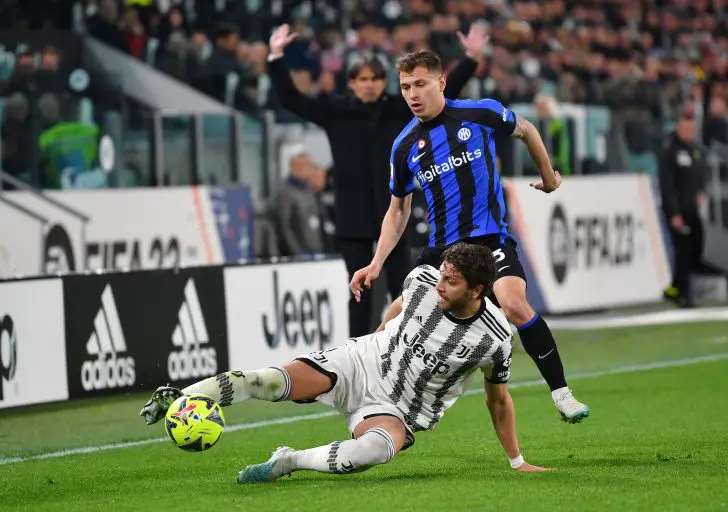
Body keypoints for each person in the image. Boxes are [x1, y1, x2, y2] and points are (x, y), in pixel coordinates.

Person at [139, 243, 548, 481]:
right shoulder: (423, 280)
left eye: (452, 282)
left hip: (398, 410)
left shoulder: (494, 338)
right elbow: (403, 303)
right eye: (442, 275)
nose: (441, 285)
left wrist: (517, 460)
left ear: (478, 290)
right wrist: (377, 333)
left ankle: (290, 460)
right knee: (268, 381)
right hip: (361, 362)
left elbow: (498, 400)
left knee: (371, 451)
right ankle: (182, 398)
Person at [349, 50, 589, 423]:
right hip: (443, 249)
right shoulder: (404, 145)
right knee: (391, 320)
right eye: (405, 87)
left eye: (420, 84)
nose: (412, 94)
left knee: (512, 303)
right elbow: (398, 211)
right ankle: (365, 396)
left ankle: (562, 394)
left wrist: (548, 177)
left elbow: (526, 129)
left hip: (489, 239)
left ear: (441, 82)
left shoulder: (479, 113)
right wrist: (376, 263)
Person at [267, 23, 487, 338]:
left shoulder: (401, 108)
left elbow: (445, 90)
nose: (368, 85)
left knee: (406, 287)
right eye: (361, 79)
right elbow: (291, 99)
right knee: (358, 292)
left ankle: (408, 345)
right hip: (351, 215)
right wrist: (275, 58)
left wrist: (471, 58)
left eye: (374, 79)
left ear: (385, 82)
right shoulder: (336, 111)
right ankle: (356, 351)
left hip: (394, 213)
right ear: (352, 83)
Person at [660, 114, 707, 308]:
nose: (691, 133)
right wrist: (674, 213)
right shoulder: (670, 152)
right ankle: (684, 295)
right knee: (684, 251)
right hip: (678, 210)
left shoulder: (694, 150)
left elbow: (700, 173)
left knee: (697, 247)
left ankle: (675, 287)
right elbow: (667, 185)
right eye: (688, 129)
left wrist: (701, 191)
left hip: (692, 209)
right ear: (680, 128)